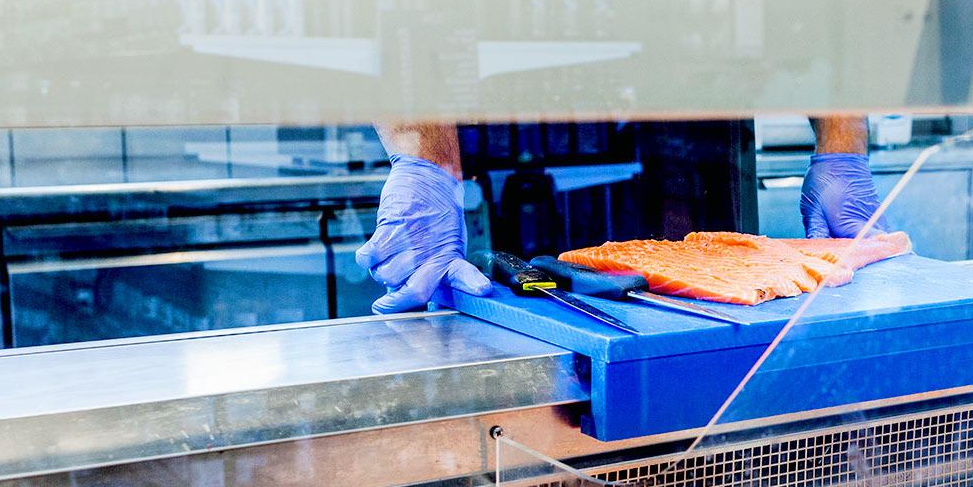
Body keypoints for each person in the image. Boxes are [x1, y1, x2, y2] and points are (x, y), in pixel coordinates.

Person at [356, 117, 889, 314]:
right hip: (491, 148)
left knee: (731, 355)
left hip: (691, 147)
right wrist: (427, 158)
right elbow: (402, 1)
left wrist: (843, 142)